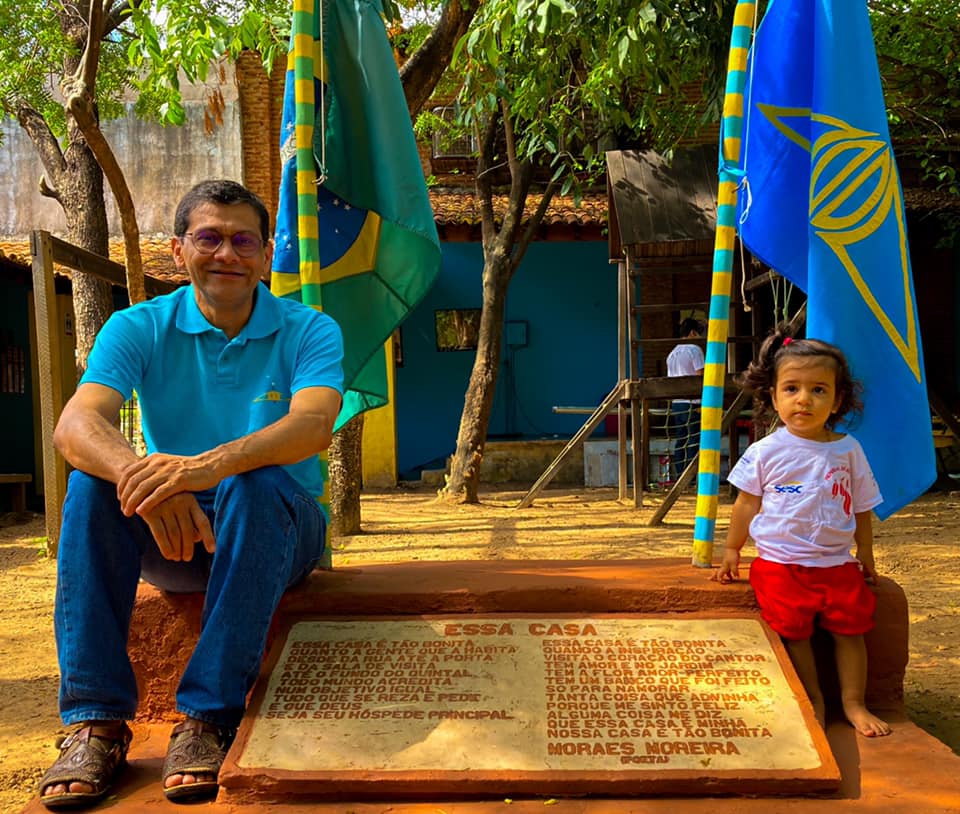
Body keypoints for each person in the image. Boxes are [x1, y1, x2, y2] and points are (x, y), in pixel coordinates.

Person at [38, 179, 344, 808]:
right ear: (179, 249)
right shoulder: (138, 326)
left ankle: (207, 717)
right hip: (172, 533)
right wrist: (146, 479)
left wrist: (202, 469)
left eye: (244, 241)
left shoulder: (310, 329)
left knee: (254, 481)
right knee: (91, 488)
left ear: (266, 256)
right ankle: (95, 722)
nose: (227, 253)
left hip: (279, 529)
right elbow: (76, 424)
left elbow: (314, 425)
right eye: (209, 238)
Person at [715, 326, 891, 738]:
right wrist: (732, 549)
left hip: (836, 564)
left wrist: (865, 553)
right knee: (794, 632)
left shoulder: (848, 450)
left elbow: (862, 507)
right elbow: (745, 504)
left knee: (851, 631)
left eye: (818, 390)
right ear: (774, 397)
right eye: (791, 388)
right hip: (781, 565)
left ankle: (853, 703)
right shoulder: (765, 452)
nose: (804, 399)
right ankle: (813, 699)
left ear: (837, 400)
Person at [666, 317, 705, 480]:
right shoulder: (694, 350)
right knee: (694, 440)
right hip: (692, 401)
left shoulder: (672, 353)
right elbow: (701, 375)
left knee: (681, 439)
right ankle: (691, 477)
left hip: (677, 402)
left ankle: (680, 475)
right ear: (692, 333)